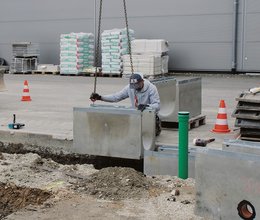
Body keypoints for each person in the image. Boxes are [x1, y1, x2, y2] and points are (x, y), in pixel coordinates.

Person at [90, 72, 161, 136]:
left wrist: (147, 106)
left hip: (148, 116)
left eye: (137, 86)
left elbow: (157, 106)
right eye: (134, 87)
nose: (135, 89)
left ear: (142, 81)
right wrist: (100, 97)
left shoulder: (151, 88)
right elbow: (116, 97)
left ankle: (156, 126)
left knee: (149, 134)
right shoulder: (130, 88)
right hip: (136, 115)